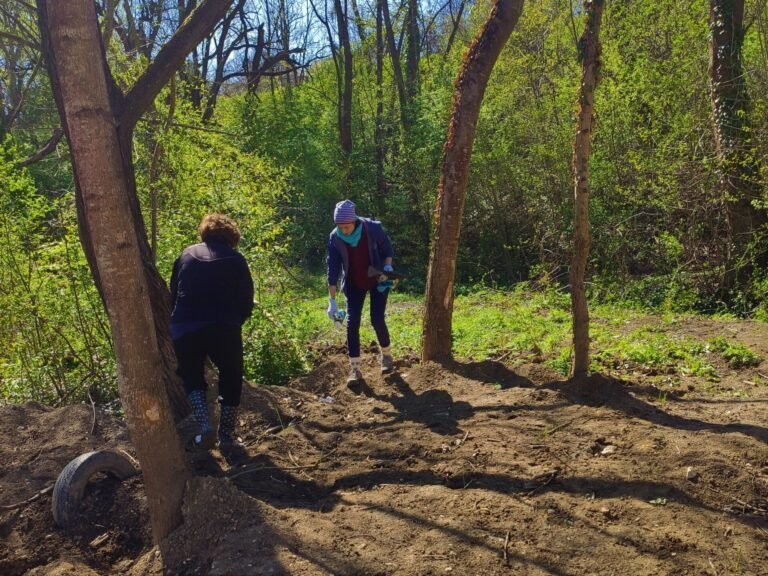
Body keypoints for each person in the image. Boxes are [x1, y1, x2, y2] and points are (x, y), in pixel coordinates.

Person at [170, 213, 254, 450]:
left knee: (192, 375)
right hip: (223, 324)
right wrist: (236, 322)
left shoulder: (186, 254)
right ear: (232, 237)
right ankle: (226, 435)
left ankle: (204, 424)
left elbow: (173, 294)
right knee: (231, 374)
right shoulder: (236, 259)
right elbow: (246, 299)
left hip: (185, 326)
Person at [326, 199, 395, 385]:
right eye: (340, 227)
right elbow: (332, 268)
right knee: (352, 323)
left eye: (347, 227)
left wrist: (388, 268)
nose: (344, 231)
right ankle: (355, 369)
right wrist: (331, 301)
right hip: (354, 282)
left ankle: (387, 356)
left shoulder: (372, 228)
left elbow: (387, 249)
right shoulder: (335, 237)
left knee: (376, 318)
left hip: (377, 277)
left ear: (354, 221)